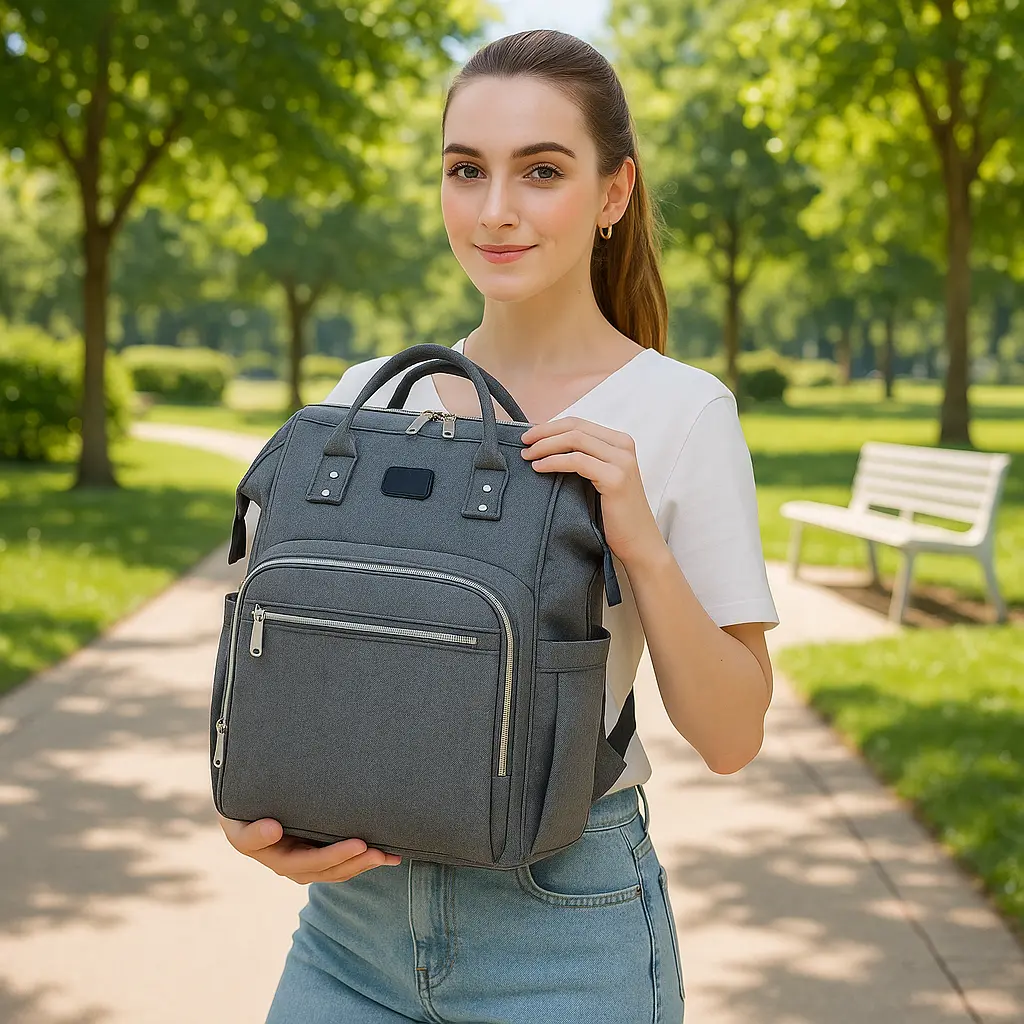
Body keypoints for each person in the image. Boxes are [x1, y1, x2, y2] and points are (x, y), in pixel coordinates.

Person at [217, 28, 779, 1023]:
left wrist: (636, 539)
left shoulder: (682, 411)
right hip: (350, 934)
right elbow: (287, 656)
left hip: (561, 931)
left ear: (612, 195)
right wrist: (258, 824)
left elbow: (731, 736)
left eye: (542, 171)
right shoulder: (361, 404)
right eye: (466, 170)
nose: (496, 210)